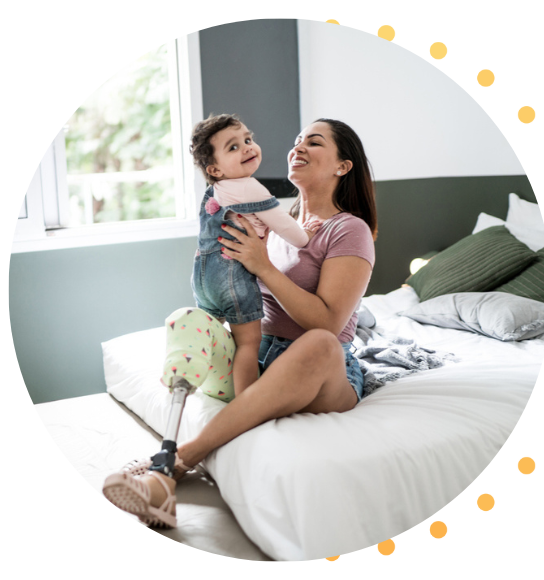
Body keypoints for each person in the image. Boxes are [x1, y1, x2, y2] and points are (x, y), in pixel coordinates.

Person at [102, 118, 378, 529]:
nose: (297, 147)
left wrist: (263, 265)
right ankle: (184, 420)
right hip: (259, 354)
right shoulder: (274, 219)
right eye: (297, 139)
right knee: (187, 319)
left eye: (314, 143)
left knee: (320, 342)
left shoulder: (349, 230)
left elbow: (328, 320)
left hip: (320, 367)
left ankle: (172, 466)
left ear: (343, 166)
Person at [187, 113, 321, 398]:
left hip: (202, 278)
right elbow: (290, 230)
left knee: (210, 334)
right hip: (232, 278)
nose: (248, 147)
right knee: (248, 343)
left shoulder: (215, 191)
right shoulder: (250, 187)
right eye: (233, 147)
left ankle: (195, 383)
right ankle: (247, 402)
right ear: (215, 169)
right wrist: (307, 233)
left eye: (248, 139)